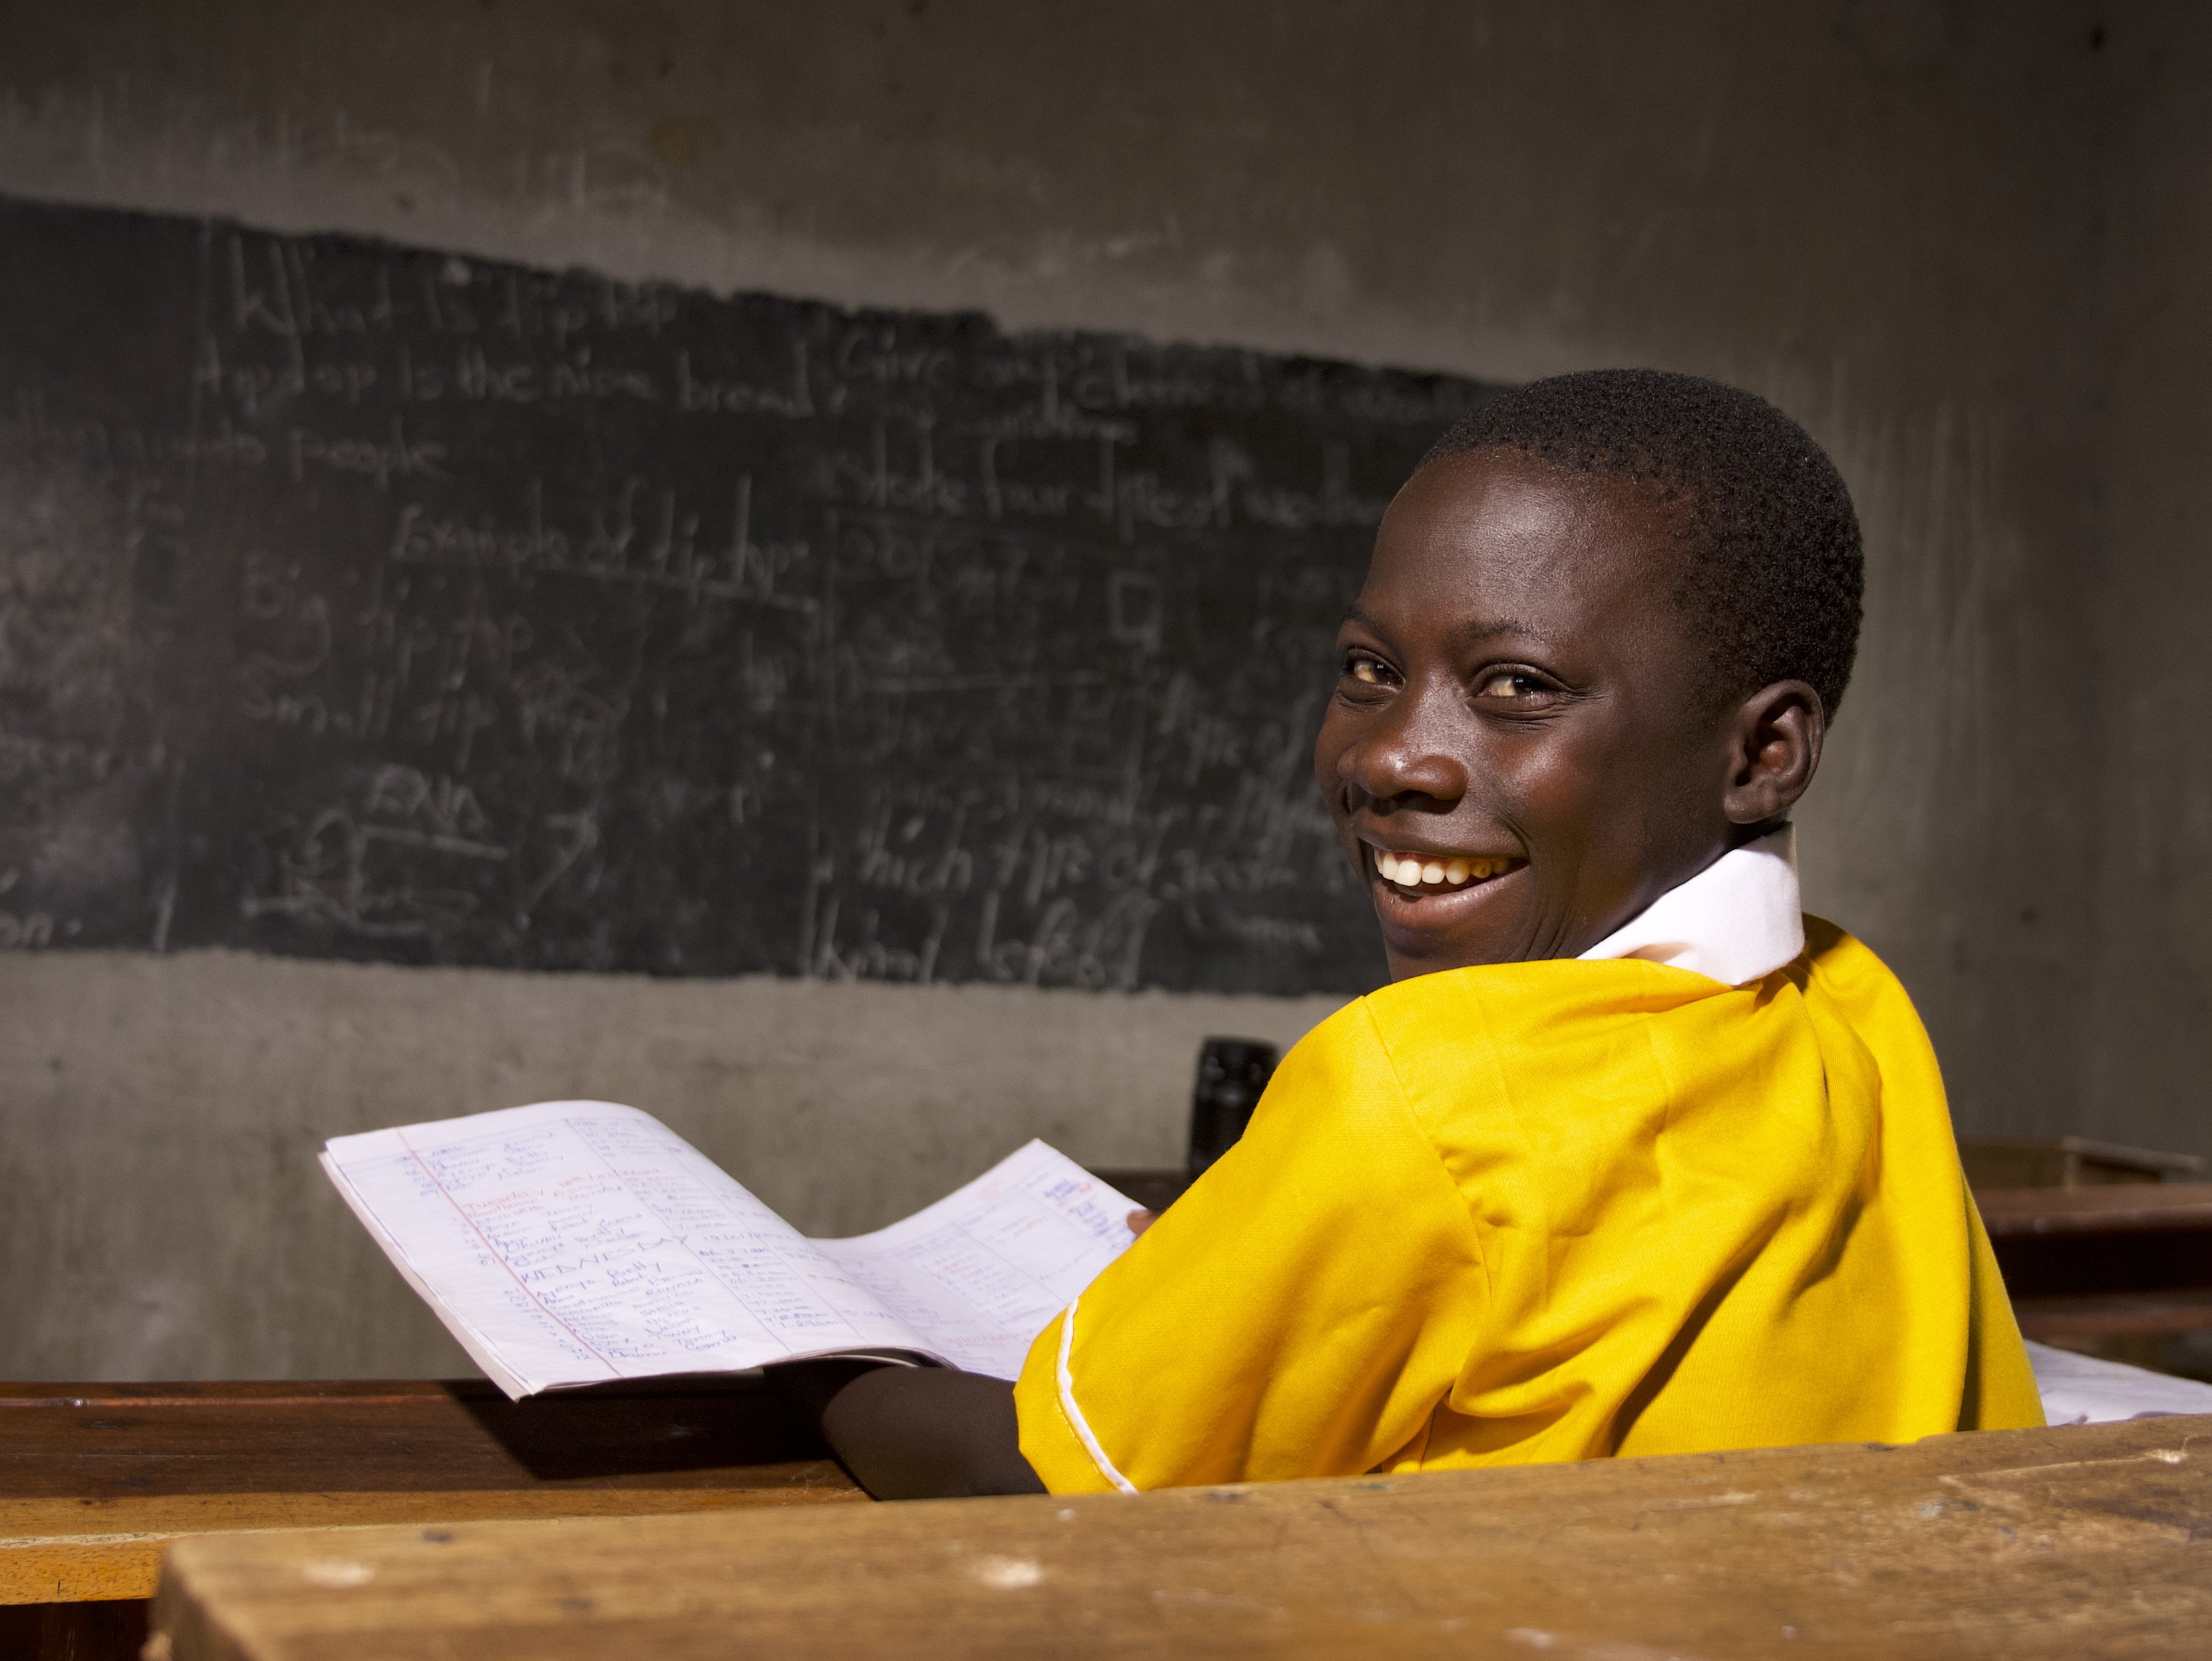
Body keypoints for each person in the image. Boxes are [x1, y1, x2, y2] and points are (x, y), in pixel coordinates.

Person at [815, 368, 2042, 1496]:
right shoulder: (1857, 1006)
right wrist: (1251, 1255)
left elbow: (1033, 1485)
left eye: (1517, 686)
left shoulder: (1415, 1096)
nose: (1394, 753)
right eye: (1367, 668)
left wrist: (806, 1365)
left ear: (1763, 753)